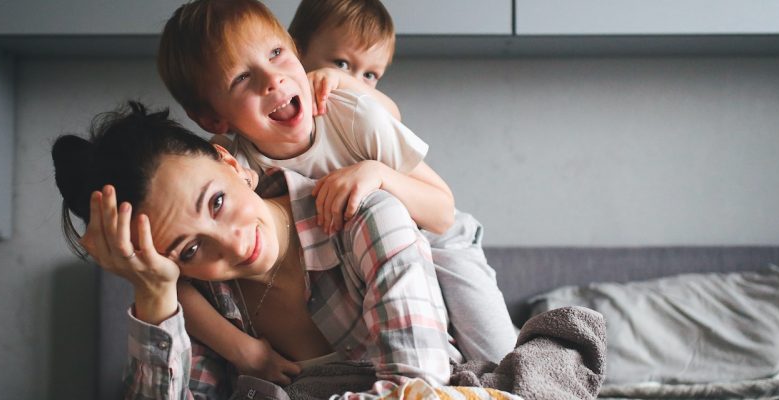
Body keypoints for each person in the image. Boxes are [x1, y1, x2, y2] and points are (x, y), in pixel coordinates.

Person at [158, 0, 517, 381]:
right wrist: (244, 351)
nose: (272, 80)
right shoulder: (232, 168)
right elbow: (176, 284)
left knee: (503, 359)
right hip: (363, 261)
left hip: (439, 237)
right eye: (242, 78)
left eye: (276, 54)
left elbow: (443, 212)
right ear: (214, 117)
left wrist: (377, 175)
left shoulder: (352, 115)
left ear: (294, 52)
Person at [52, 102, 460, 399]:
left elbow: (419, 387)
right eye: (191, 249)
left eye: (216, 203)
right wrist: (156, 294)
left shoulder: (363, 218)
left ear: (230, 163)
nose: (233, 244)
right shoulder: (203, 302)